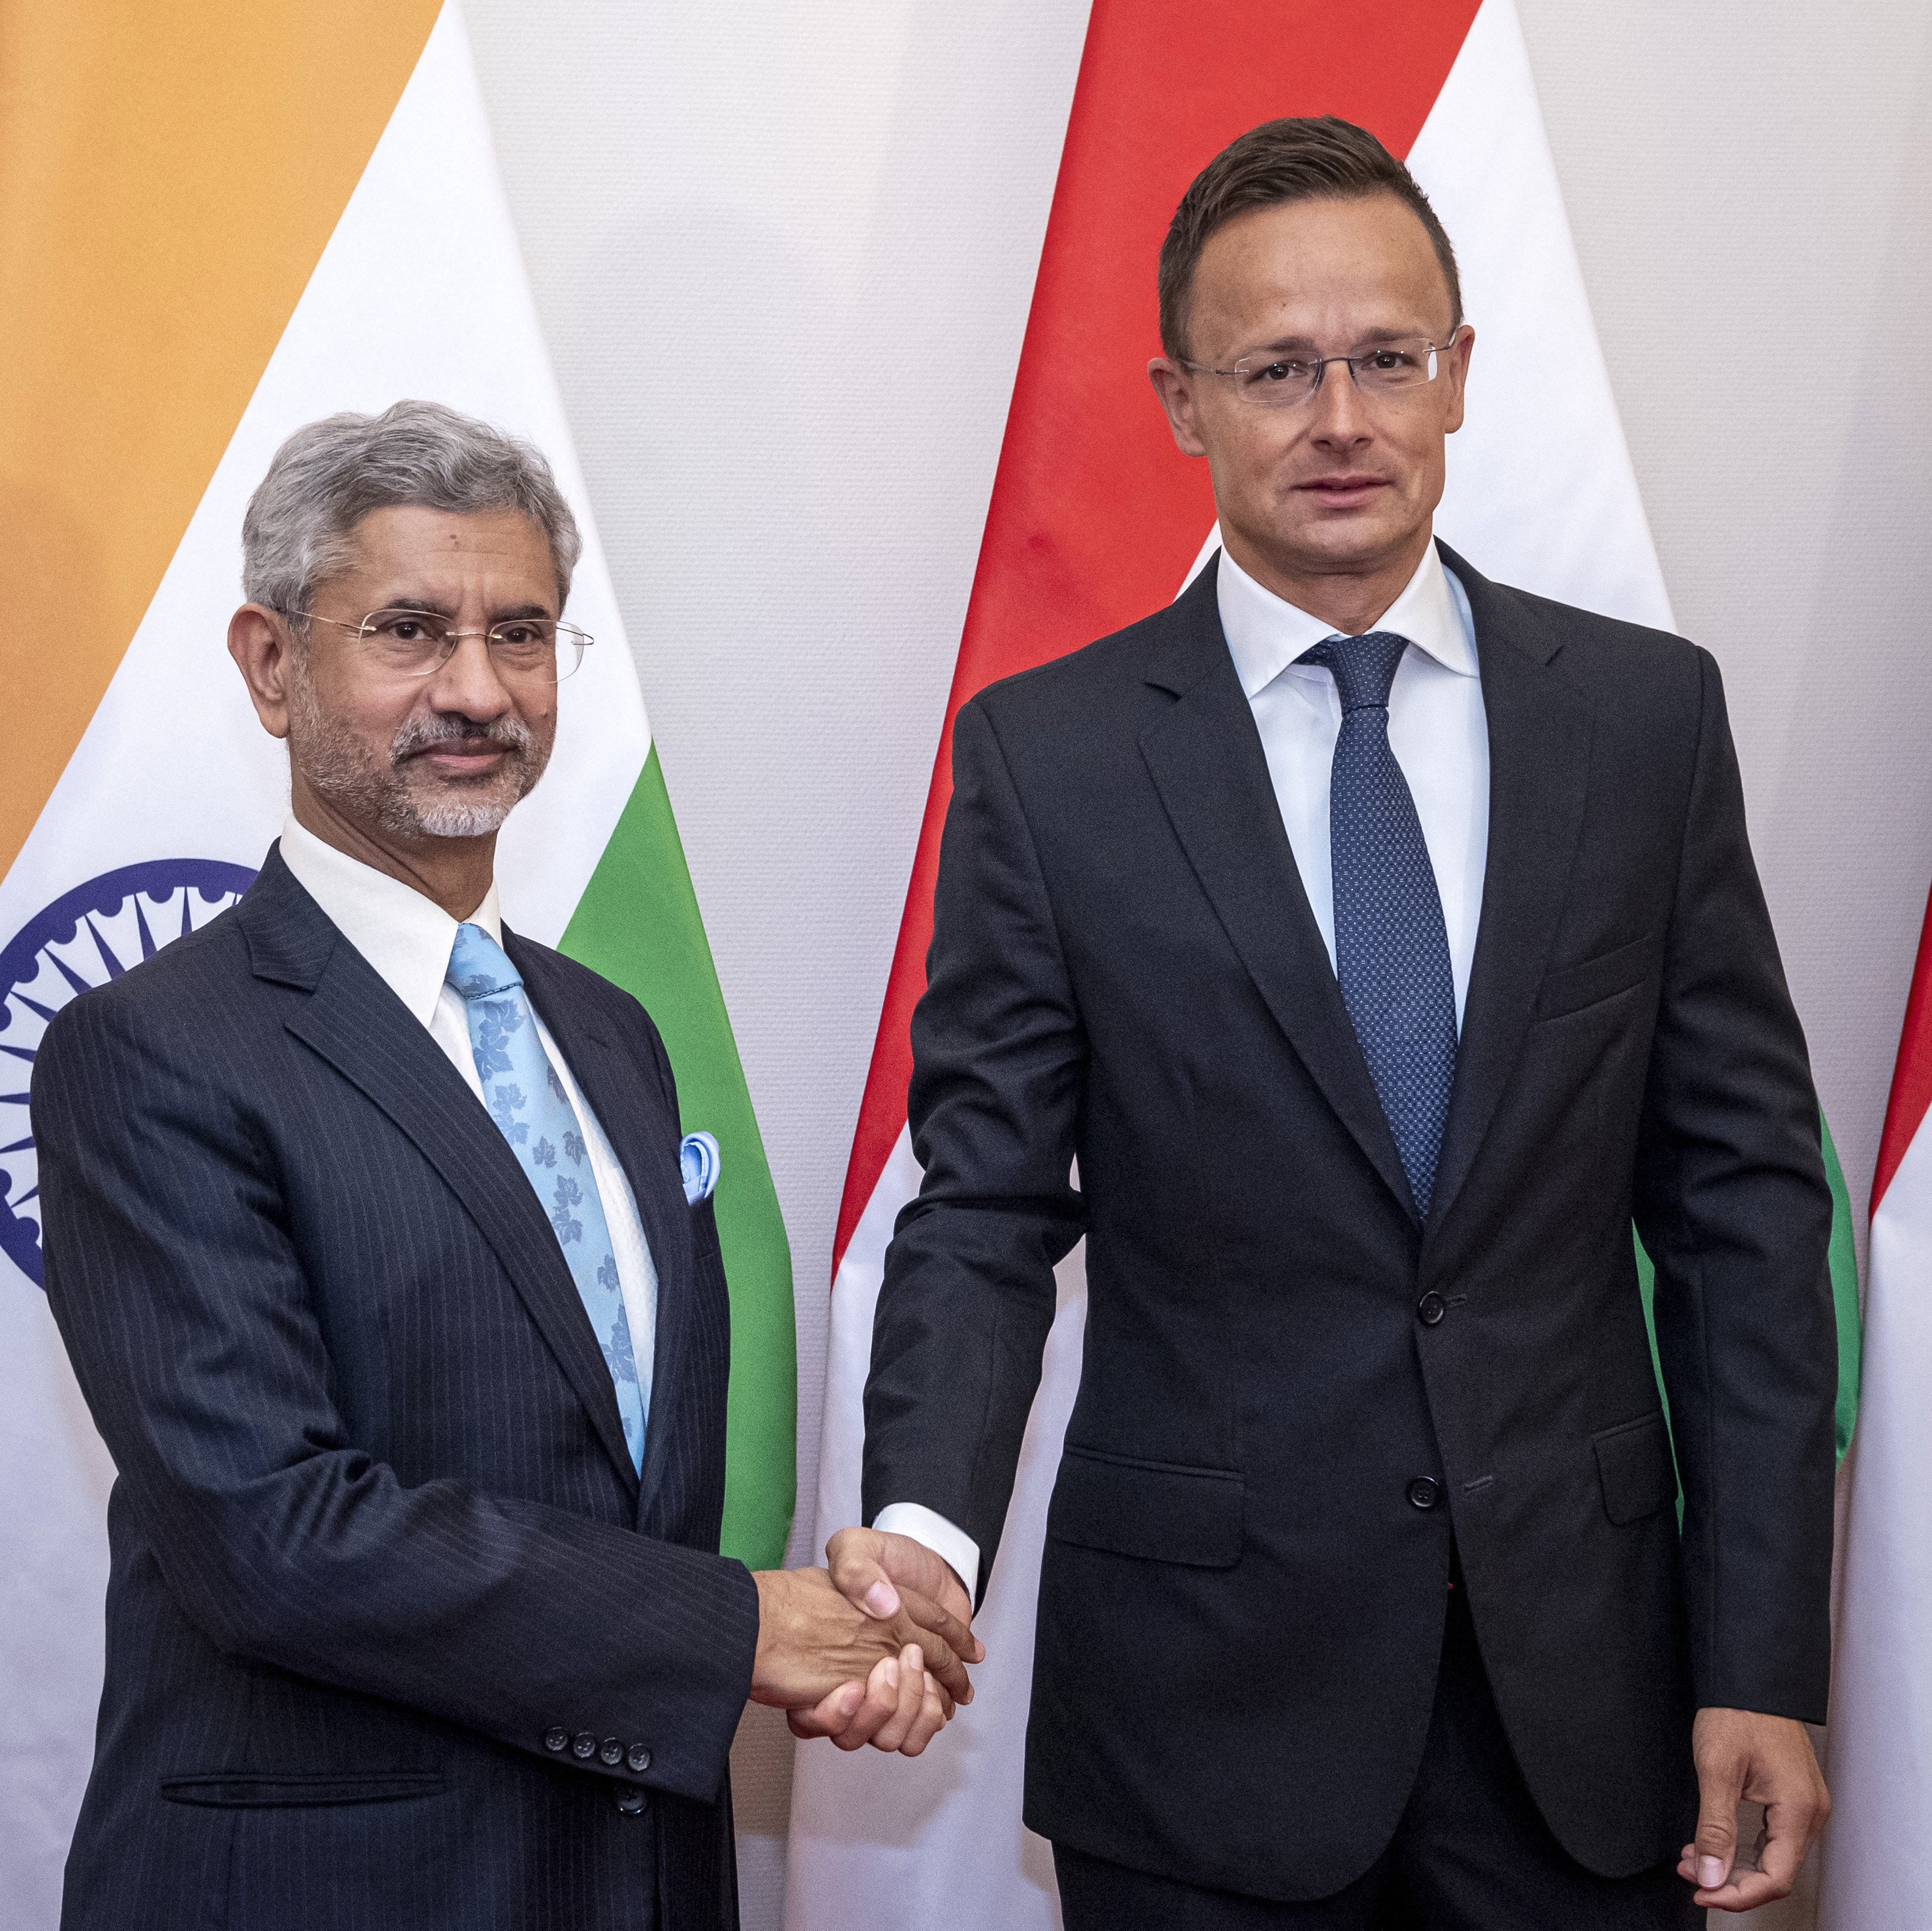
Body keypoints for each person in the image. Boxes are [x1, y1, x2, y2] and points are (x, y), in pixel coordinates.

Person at [835, 117, 1837, 1928]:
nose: (1344, 416)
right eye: (1277, 370)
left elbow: (1747, 1216)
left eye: (1388, 358)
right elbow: (984, 1206)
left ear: (1458, 375)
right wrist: (924, 1535)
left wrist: (1761, 1650)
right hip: (1201, 1712)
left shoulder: (1640, 725)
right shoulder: (1048, 761)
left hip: (1590, 1711)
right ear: (1179, 403)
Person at [32, 401, 976, 1931]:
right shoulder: (150, 1051)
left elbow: (618, 1493)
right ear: (272, 665)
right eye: (409, 630)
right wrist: (740, 1628)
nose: (477, 688)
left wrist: (836, 1623)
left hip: (633, 1876)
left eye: (521, 633)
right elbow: (274, 1538)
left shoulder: (610, 1035)